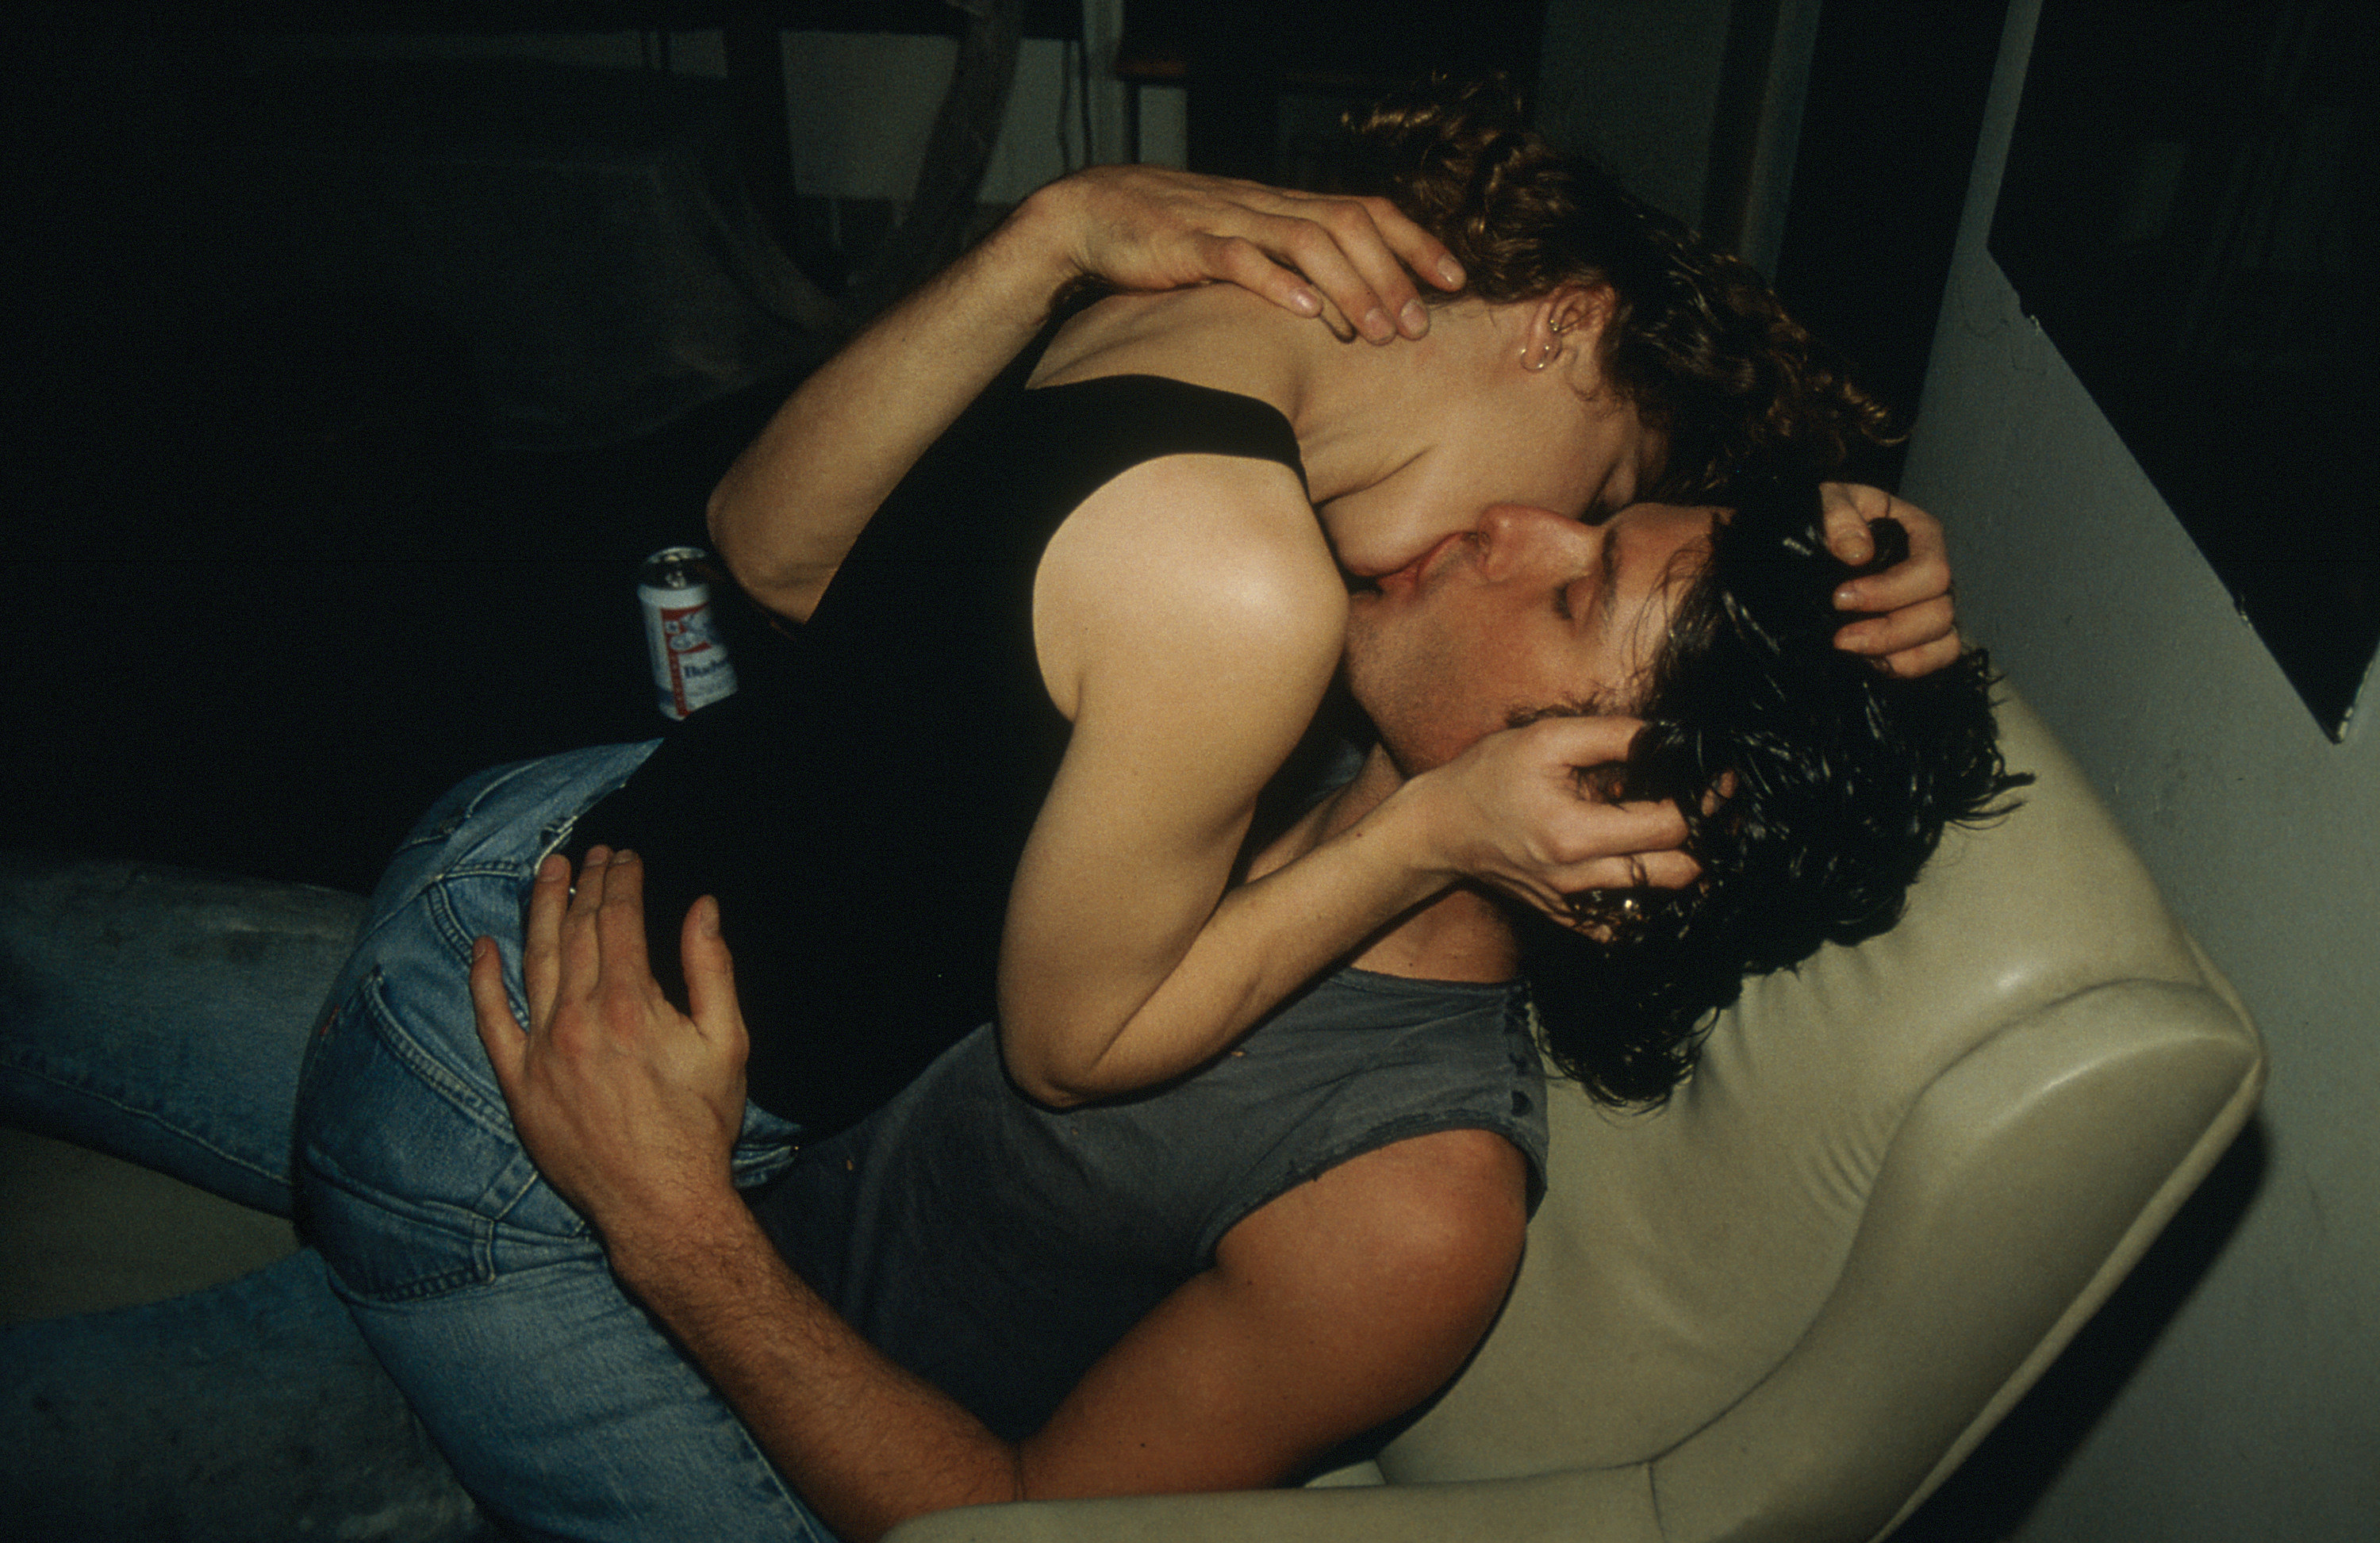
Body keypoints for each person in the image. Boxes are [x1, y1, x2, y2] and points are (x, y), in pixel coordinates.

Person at [0, 481, 2007, 1543]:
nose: (1509, 525)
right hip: (590, 1028)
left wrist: (669, 1219)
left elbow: (1008, 1536)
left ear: (1620, 815)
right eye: (1598, 515)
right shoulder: (1302, 677)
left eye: (1572, 594)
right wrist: (1857, 535)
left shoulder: (1411, 1197)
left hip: (647, 1312)